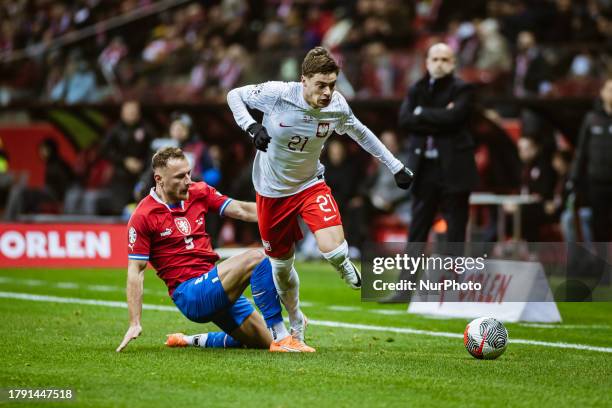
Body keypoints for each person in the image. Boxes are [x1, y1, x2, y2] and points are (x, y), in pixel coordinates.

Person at [226, 46, 413, 347]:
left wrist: (396, 166)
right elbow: (234, 95)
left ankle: (342, 264)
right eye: (321, 85)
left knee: (334, 250)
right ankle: (296, 318)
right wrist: (251, 126)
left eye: (332, 85)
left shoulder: (337, 105)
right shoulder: (278, 93)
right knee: (282, 269)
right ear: (304, 80)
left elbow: (361, 133)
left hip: (310, 185)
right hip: (271, 193)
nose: (327, 92)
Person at [116, 147, 314, 353]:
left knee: (262, 342)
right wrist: (134, 322)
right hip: (190, 293)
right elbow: (136, 270)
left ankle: (188, 339)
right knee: (257, 258)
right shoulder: (143, 216)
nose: (188, 180)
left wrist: (285, 212)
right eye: (179, 176)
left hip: (214, 282)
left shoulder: (198, 192)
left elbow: (242, 210)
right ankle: (282, 337)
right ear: (159, 179)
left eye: (188, 173)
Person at [398, 42, 478, 244]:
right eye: (435, 59)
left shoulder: (463, 89)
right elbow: (405, 120)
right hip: (424, 167)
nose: (439, 64)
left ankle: (453, 276)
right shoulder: (416, 88)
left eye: (444, 59)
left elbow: (455, 118)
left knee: (456, 231)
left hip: (454, 168)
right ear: (427, 62)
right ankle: (407, 277)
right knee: (417, 229)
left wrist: (422, 113)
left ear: (453, 63)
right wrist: (442, 116)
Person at [569, 78, 612, 242]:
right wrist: (574, 178)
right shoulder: (591, 119)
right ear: (602, 93)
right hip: (597, 182)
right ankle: (602, 265)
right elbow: (581, 152)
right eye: (609, 89)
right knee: (599, 226)